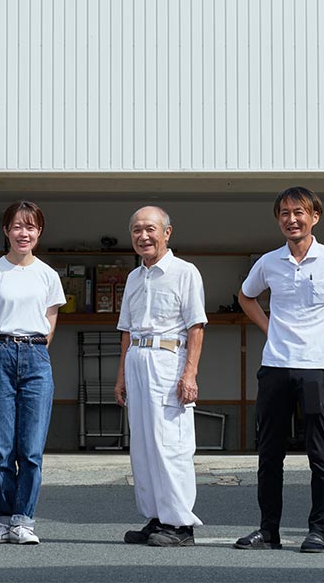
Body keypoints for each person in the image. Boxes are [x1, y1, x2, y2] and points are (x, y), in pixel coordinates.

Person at [234, 186, 324, 553]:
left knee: (319, 452)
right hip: (274, 367)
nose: (291, 219)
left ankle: (318, 530)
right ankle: (269, 532)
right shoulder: (269, 262)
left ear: (314, 216)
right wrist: (269, 327)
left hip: (316, 368)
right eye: (284, 213)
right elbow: (245, 296)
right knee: (269, 454)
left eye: (299, 212)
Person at [0, 200, 65, 545]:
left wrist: (30, 352)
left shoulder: (48, 275)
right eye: (16, 226)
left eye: (30, 227)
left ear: (39, 232)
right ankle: (3, 520)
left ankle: (24, 521)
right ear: (6, 231)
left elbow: (50, 325)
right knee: (1, 450)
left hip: (37, 356)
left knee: (31, 450)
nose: (23, 233)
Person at [114, 205, 207, 548]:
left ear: (167, 232)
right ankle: (156, 517)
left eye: (150, 229)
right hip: (137, 356)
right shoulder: (134, 277)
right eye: (137, 230)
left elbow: (196, 327)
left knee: (171, 443)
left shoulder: (185, 272)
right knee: (143, 444)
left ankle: (180, 524)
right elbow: (125, 330)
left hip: (169, 358)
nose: (143, 236)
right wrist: (120, 376)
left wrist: (190, 374)